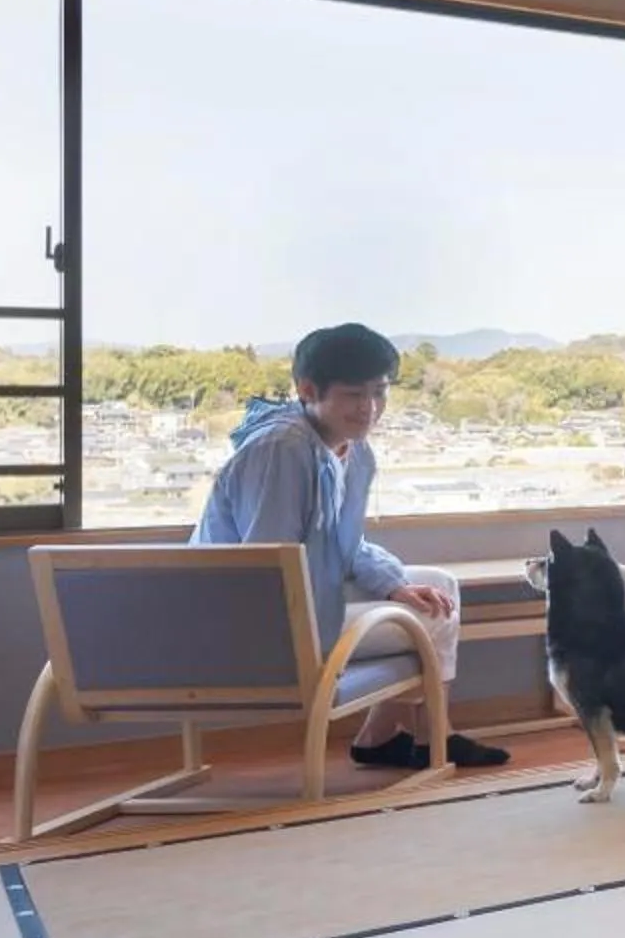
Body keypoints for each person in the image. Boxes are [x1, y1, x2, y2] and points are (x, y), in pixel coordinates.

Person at [193, 321, 507, 770]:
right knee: (430, 617)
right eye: (354, 395)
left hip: (300, 599)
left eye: (379, 392)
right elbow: (268, 564)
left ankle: (384, 736)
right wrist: (377, 599)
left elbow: (345, 543)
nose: (370, 408)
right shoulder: (281, 449)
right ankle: (430, 735)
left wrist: (393, 586)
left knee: (438, 587)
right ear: (307, 390)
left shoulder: (351, 450)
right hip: (255, 624)